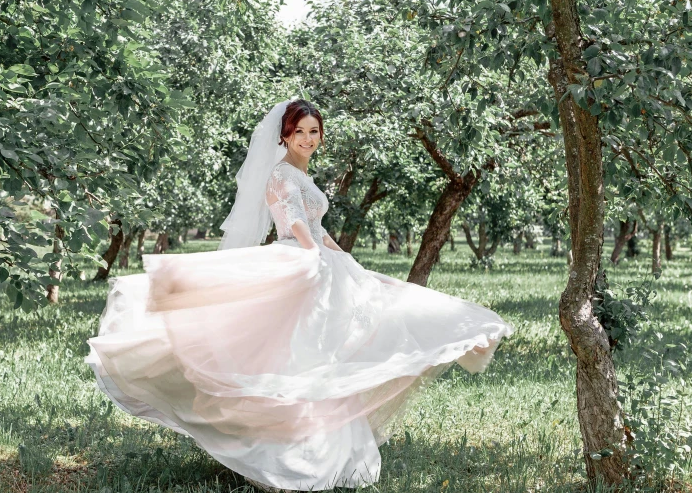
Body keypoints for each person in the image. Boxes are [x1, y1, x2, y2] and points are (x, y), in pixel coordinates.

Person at [85, 99, 514, 492]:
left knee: (341, 341)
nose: (308, 139)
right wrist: (317, 257)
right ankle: (294, 459)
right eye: (300, 132)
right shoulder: (280, 176)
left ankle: (341, 451)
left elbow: (318, 228)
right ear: (285, 137)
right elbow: (294, 223)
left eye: (314, 131)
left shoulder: (302, 173)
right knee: (304, 355)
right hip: (299, 262)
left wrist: (341, 256)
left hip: (316, 257)